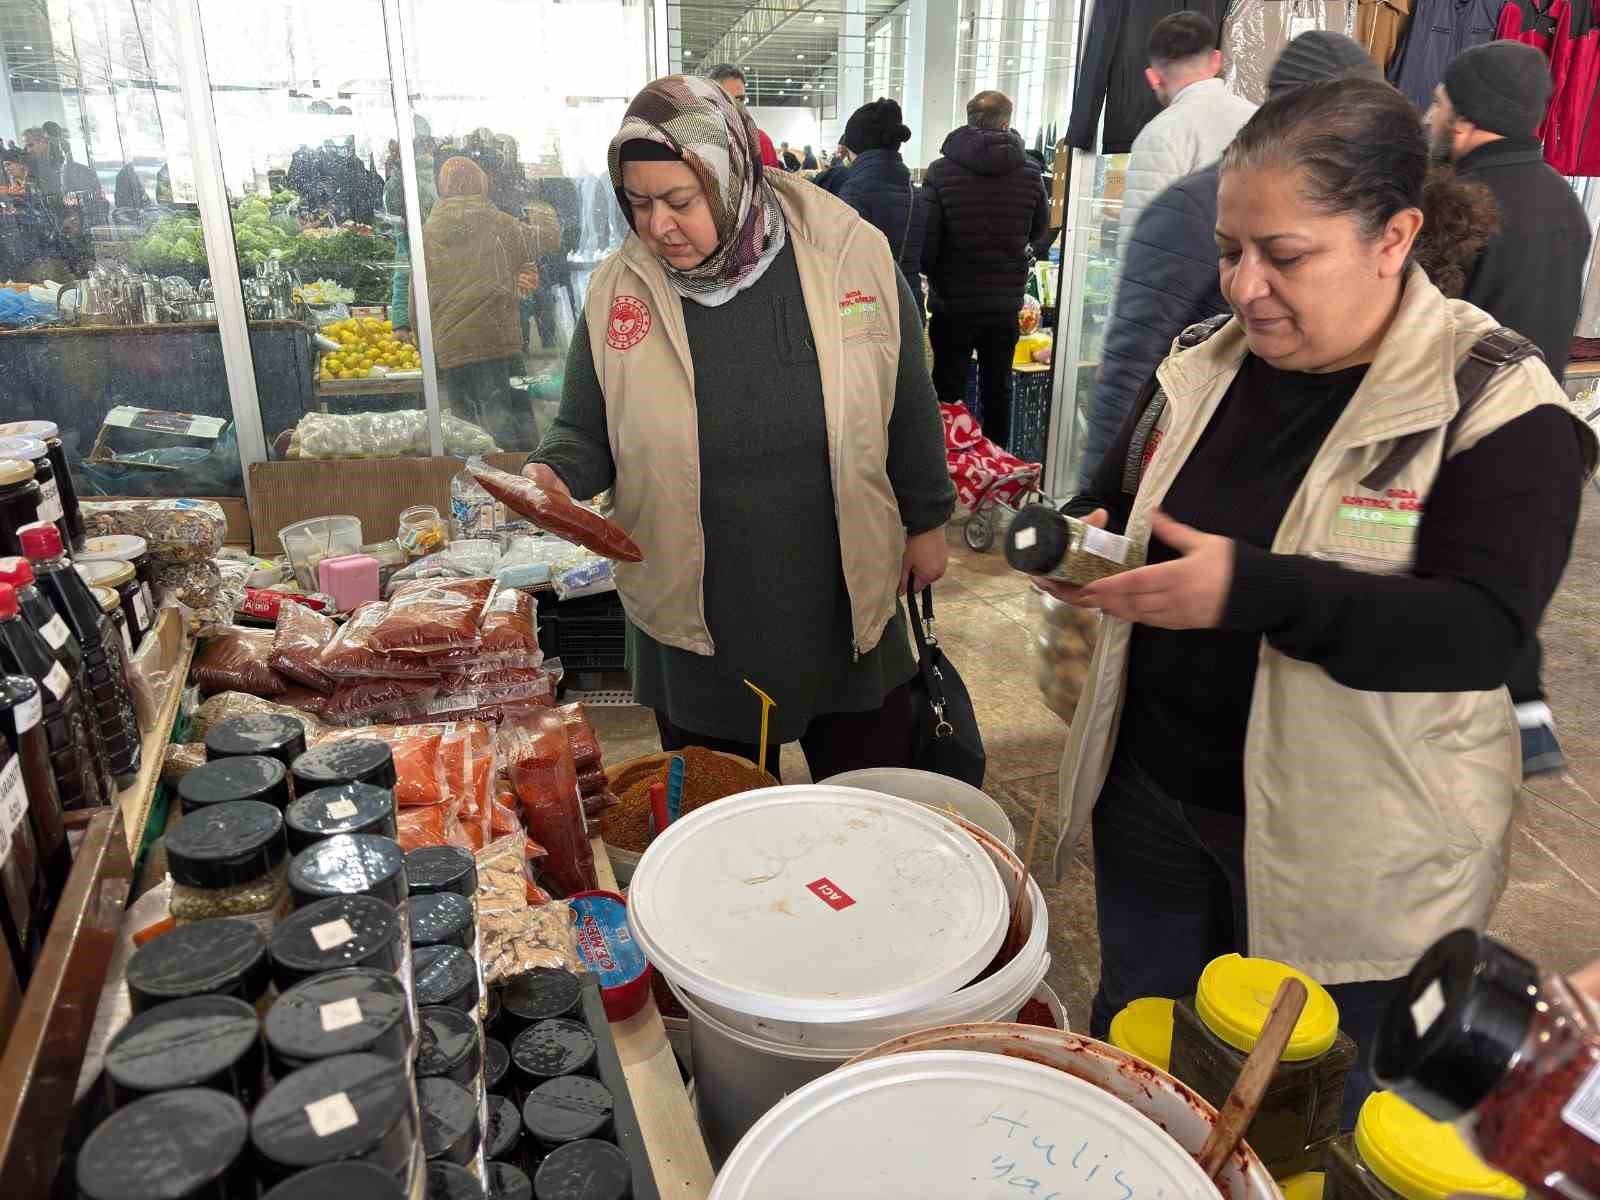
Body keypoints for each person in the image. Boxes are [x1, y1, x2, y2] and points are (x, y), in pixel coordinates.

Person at [1048, 77, 1595, 1126]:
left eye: (1285, 256)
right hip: (1155, 801)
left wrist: (1254, 591)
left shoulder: (1489, 401)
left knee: (1302, 1112)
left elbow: (1477, 632)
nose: (1245, 287)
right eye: (1228, 251)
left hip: (1350, 852)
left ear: (1393, 237)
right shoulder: (1201, 369)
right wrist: (1073, 546)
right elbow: (1117, 502)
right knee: (1150, 1067)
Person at [522, 76, 953, 781]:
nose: (658, 225)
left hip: (841, 596)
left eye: (680, 201)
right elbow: (583, 432)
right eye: (638, 203)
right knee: (724, 827)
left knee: (862, 807)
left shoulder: (849, 255)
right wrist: (552, 475)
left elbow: (907, 396)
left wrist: (928, 519)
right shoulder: (618, 291)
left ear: (729, 177)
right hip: (698, 616)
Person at [1079, 32, 1381, 491]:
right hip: (1194, 465)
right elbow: (1131, 367)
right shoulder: (1192, 207)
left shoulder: (1354, 218)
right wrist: (1098, 507)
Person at [1424, 39, 1593, 777]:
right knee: (1504, 562)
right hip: (1538, 417)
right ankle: (1524, 712)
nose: (1429, 112)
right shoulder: (1564, 200)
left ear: (1466, 121)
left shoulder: (1459, 205)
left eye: (1438, 103)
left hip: (1452, 420)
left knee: (1433, 566)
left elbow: (1426, 323)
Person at [921, 90, 1050, 449]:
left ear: (968, 119)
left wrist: (934, 275)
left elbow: (928, 241)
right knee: (998, 389)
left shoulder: (941, 171)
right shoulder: (1029, 171)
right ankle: (996, 462)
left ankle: (950, 465)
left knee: (947, 389)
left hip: (953, 302)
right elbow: (1040, 229)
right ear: (1007, 122)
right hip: (1003, 304)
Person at [420, 156, 542, 450]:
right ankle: (514, 486)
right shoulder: (503, 224)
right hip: (496, 339)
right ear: (481, 183)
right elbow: (530, 261)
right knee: (503, 424)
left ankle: (473, 488)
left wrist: (421, 344)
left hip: (450, 345)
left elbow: (417, 296)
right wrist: (521, 285)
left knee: (466, 430)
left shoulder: (426, 233)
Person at [1116, 10, 1256, 250]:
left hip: (1188, 282)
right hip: (1254, 281)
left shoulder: (1160, 135)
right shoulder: (1261, 120)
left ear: (1153, 78)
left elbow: (1141, 245)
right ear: (1216, 60)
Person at [830, 98, 927, 319]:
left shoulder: (852, 192)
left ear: (853, 147)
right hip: (909, 306)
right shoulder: (915, 193)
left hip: (864, 311)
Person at [707, 64, 782, 170]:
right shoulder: (698, 144)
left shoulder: (761, 142)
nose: (736, 106)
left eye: (739, 99)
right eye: (727, 98)